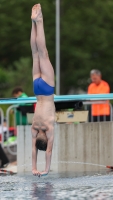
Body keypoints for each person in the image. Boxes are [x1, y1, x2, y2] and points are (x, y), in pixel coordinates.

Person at [31, 4, 55, 176]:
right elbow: (35, 151)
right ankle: (32, 24)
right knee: (34, 53)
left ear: (45, 139)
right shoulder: (34, 127)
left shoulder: (48, 128)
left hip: (47, 90)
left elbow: (48, 152)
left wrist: (46, 170)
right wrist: (33, 168)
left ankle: (38, 21)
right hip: (37, 90)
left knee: (43, 52)